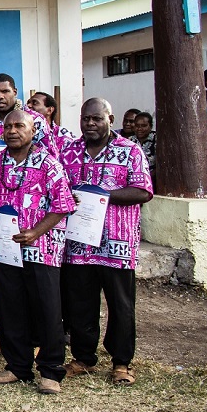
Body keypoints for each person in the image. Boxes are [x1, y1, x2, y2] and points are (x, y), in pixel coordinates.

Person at [61, 99, 153, 386]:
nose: (90, 123)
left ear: (109, 119)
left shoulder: (129, 150)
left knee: (121, 304)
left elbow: (143, 190)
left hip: (117, 243)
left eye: (96, 119)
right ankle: (84, 357)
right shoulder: (69, 152)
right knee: (79, 303)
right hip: (79, 244)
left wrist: (102, 196)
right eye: (85, 118)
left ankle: (122, 362)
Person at [0, 109, 75, 395]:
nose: (12, 131)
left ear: (32, 130)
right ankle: (17, 366)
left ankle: (50, 370)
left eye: (19, 126)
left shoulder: (49, 164)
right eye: (7, 126)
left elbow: (63, 205)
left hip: (41, 249)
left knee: (47, 310)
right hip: (5, 249)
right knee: (10, 309)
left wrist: (36, 231)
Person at [0, 73, 56, 157]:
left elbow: (50, 155)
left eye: (5, 91)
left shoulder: (35, 120)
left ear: (15, 92)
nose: (0, 96)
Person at [130, 111, 157, 177]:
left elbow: (162, 165)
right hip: (133, 179)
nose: (139, 129)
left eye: (144, 126)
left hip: (153, 179)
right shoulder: (129, 141)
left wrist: (146, 177)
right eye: (137, 126)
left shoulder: (156, 139)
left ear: (150, 126)